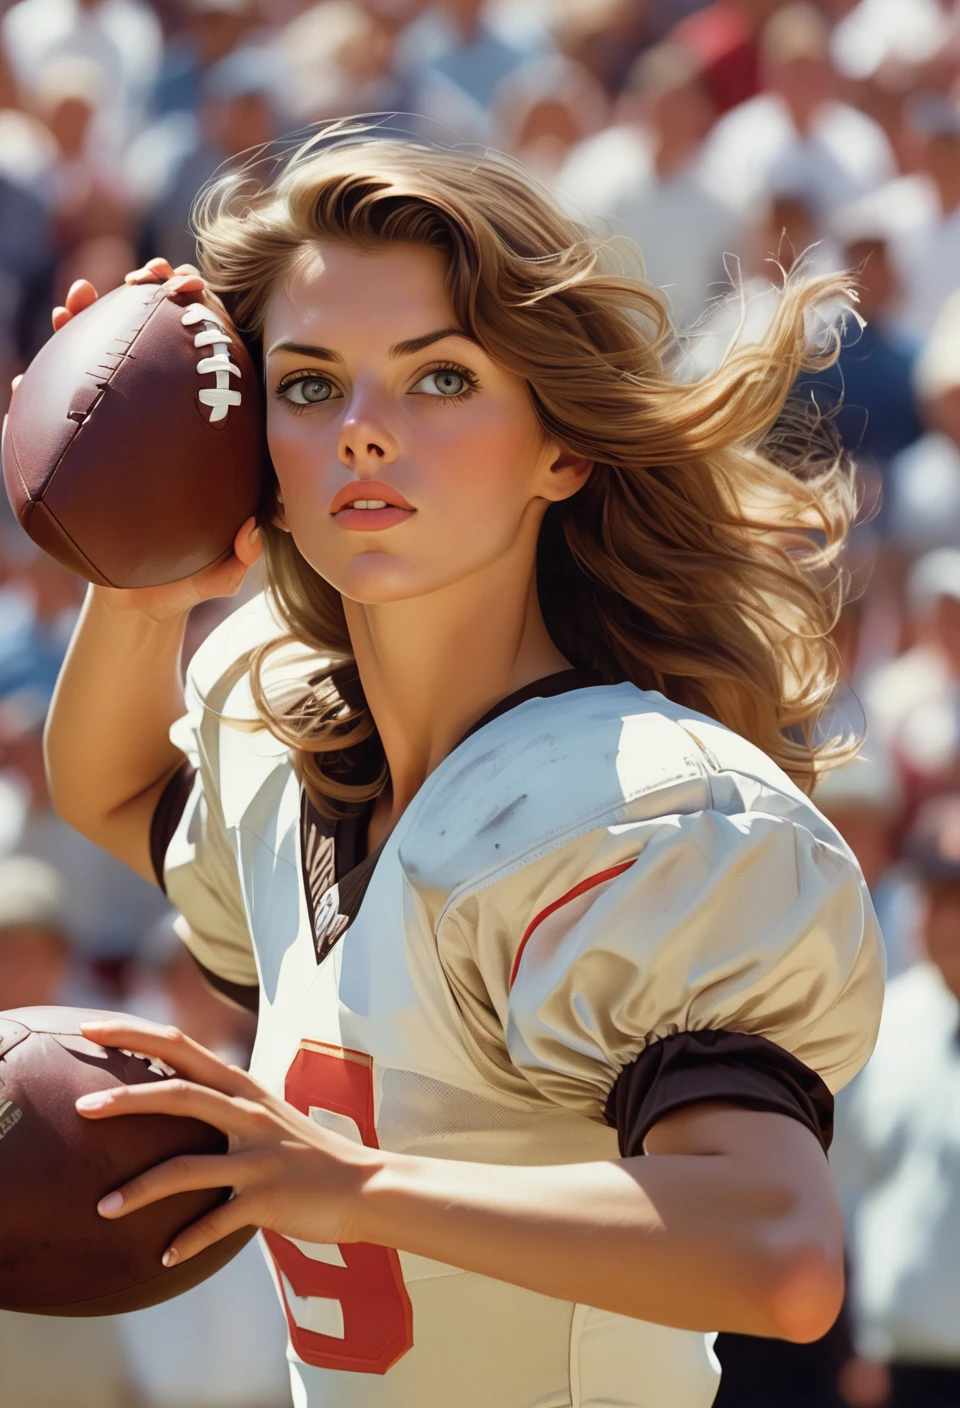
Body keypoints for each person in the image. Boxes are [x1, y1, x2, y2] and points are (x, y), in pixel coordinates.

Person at [40, 129, 883, 1408]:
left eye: (438, 379)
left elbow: (776, 1254)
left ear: (562, 446)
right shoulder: (300, 756)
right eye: (311, 386)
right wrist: (140, 551)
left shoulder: (632, 801)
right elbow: (105, 793)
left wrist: (346, 1184)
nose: (364, 432)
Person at [833, 793, 960, 1408]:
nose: (951, 922)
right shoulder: (878, 1026)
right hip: (898, 1368)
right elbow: (843, 1195)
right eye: (939, 899)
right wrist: (854, 1345)